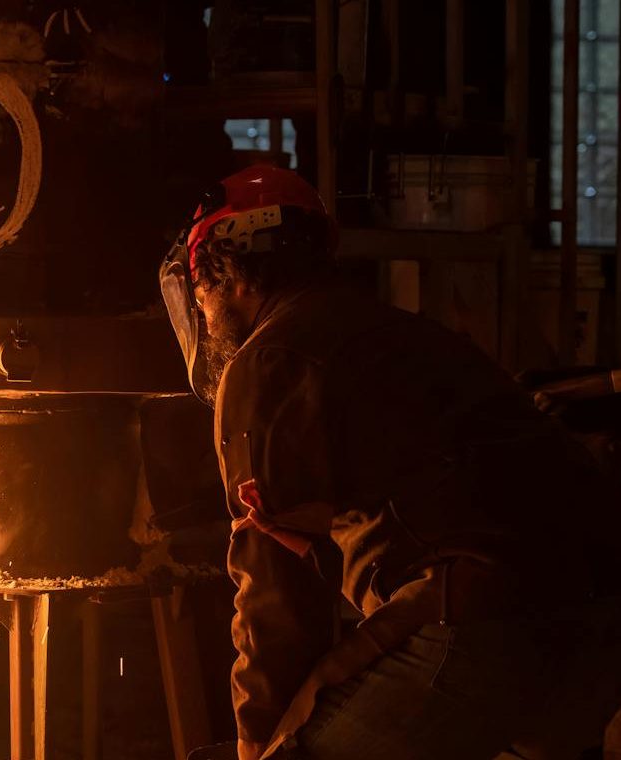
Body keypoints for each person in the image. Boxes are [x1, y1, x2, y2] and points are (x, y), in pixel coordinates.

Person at [160, 166, 621, 760]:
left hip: (483, 618)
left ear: (231, 275)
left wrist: (258, 743)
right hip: (593, 618)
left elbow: (271, 600)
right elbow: (436, 499)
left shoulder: (269, 356)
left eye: (201, 289)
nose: (202, 307)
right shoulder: (392, 331)